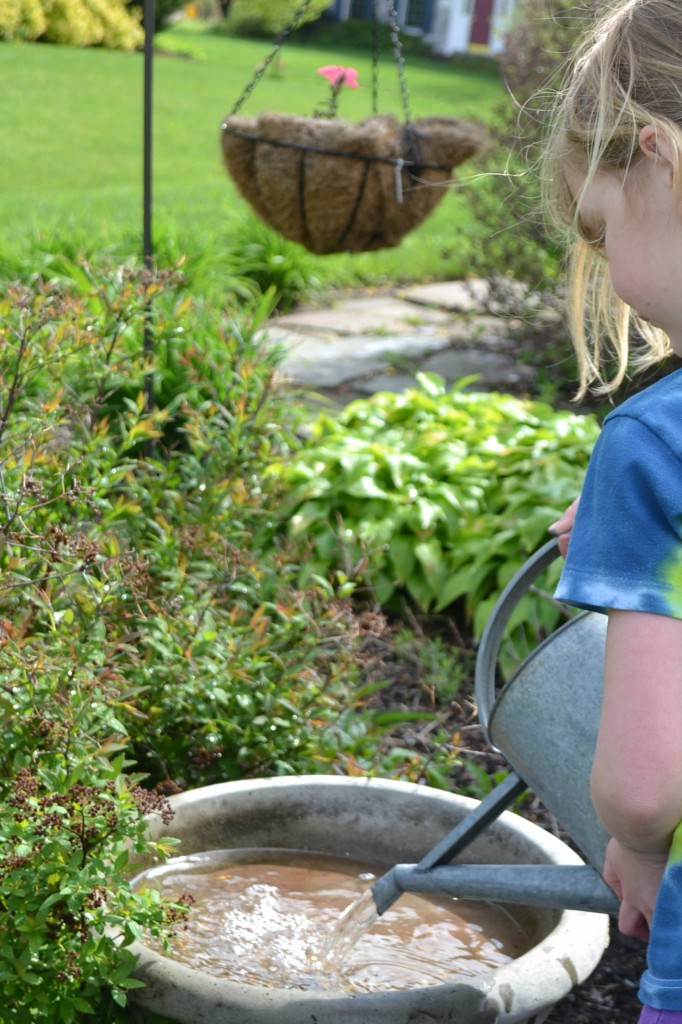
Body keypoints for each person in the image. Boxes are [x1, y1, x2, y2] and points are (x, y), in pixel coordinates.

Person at [540, 2, 682, 1021]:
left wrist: (633, 845)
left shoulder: (655, 445)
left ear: (657, 160)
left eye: (597, 229)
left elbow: (643, 783)